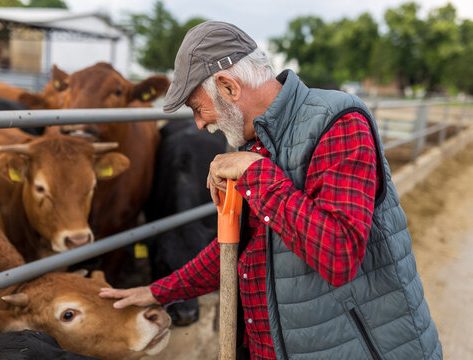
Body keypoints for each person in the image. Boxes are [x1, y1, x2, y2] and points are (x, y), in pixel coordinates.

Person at [100, 21, 442, 360]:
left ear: (229, 87)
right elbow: (236, 250)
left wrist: (254, 172)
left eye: (196, 107)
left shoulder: (337, 121)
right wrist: (158, 292)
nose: (199, 123)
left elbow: (340, 254)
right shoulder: (256, 142)